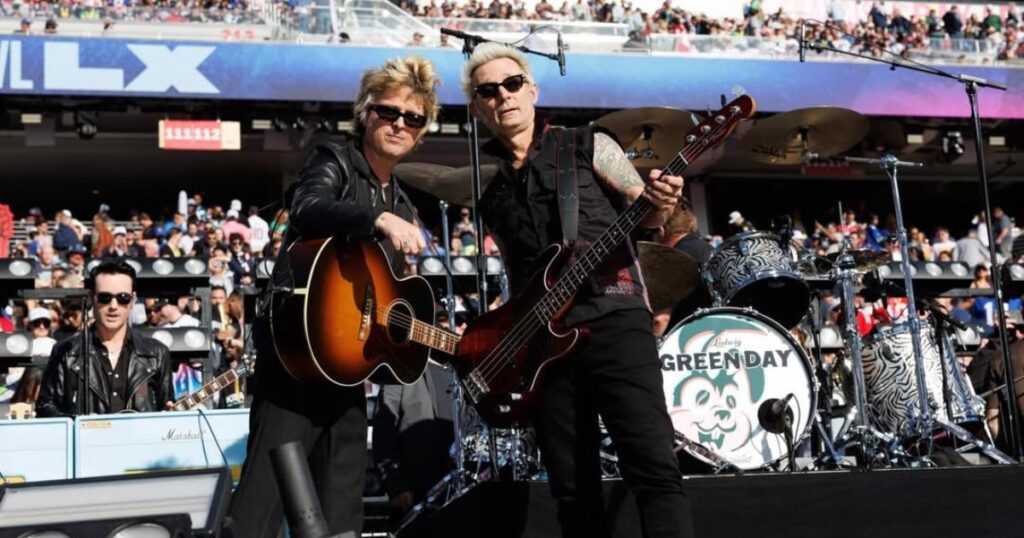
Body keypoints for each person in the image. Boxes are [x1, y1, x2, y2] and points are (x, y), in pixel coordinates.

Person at [462, 42, 693, 538]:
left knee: (652, 465)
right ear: (477, 107)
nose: (503, 96)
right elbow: (517, 279)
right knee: (571, 490)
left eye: (512, 84)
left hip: (614, 317)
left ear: (532, 90)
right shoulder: (492, 193)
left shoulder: (587, 143)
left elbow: (647, 211)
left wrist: (662, 200)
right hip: (545, 349)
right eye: (488, 91)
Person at [228, 55, 440, 538]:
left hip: (348, 366)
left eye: (413, 118)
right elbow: (308, 206)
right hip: (296, 357)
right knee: (260, 504)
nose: (399, 124)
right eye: (389, 112)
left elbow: (380, 297)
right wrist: (376, 220)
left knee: (341, 509)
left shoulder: (402, 200)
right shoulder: (335, 158)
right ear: (366, 112)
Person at [36, 260, 174, 417]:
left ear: (133, 300)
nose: (113, 306)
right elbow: (45, 407)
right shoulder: (66, 352)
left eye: (123, 298)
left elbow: (167, 411)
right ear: (91, 298)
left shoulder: (156, 353)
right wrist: (80, 424)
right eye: (104, 297)